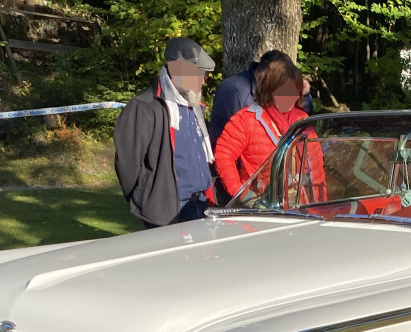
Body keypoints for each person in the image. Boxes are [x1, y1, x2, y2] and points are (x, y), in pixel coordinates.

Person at [114, 37, 216, 228]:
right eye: (198, 74)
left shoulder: (194, 107)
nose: (203, 80)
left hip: (200, 204)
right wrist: (146, 200)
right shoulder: (144, 107)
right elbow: (128, 164)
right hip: (167, 211)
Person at [214, 60, 320, 200]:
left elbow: (316, 168)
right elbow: (223, 155)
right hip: (261, 205)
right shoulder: (246, 119)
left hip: (300, 204)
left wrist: (319, 205)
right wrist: (241, 194)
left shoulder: (303, 120)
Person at [208, 50, 312, 144]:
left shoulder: (274, 92)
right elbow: (222, 139)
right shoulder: (233, 90)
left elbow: (296, 119)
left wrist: (304, 95)